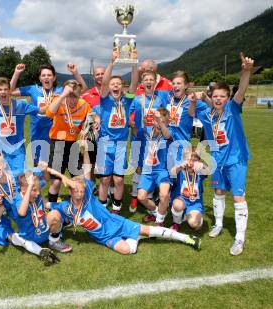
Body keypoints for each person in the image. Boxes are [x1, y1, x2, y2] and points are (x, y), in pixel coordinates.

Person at [46, 156, 201, 255]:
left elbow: (87, 169)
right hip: (105, 237)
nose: (79, 193)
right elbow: (47, 204)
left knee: (151, 230)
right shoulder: (66, 207)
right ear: (71, 192)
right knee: (127, 250)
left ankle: (187, 238)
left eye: (81, 190)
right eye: (76, 191)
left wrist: (85, 149)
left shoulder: (88, 198)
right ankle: (136, 238)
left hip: (118, 223)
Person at [192, 53, 253, 256]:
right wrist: (195, 99)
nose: (218, 99)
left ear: (227, 98)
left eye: (222, 96)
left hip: (236, 160)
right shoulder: (207, 115)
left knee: (237, 198)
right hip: (217, 161)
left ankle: (239, 238)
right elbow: (193, 112)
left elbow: (241, 89)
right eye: (215, 95)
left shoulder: (233, 109)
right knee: (218, 193)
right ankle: (218, 225)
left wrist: (246, 72)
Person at [10, 63, 88, 164]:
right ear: (40, 78)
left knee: (53, 167)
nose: (46, 77)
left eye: (49, 75)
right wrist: (16, 73)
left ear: (54, 77)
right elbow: (10, 91)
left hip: (54, 136)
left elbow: (83, 89)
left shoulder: (60, 90)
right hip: (37, 133)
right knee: (38, 167)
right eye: (43, 75)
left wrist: (75, 72)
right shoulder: (33, 89)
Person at [0, 77, 45, 176]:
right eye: (0, 90)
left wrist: (58, 102)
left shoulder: (20, 105)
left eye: (5, 89)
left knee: (20, 177)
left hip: (18, 152)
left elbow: (42, 110)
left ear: (10, 91)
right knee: (4, 180)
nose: (3, 92)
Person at [95, 49, 138, 214]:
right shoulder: (105, 99)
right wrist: (111, 63)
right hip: (105, 144)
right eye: (113, 84)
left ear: (122, 88)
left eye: (118, 84)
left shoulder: (126, 100)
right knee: (105, 179)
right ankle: (102, 208)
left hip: (120, 144)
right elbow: (104, 82)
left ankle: (116, 209)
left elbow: (134, 83)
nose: (115, 86)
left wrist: (134, 63)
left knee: (119, 179)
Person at [45, 79, 97, 203]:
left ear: (79, 95)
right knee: (56, 180)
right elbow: (48, 113)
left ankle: (81, 205)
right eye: (69, 96)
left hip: (73, 144)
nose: (72, 100)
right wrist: (63, 95)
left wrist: (95, 122)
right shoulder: (59, 100)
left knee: (79, 177)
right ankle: (51, 206)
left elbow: (93, 117)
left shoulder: (83, 104)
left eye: (75, 97)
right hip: (58, 143)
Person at [129, 70, 169, 218]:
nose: (149, 82)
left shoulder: (161, 99)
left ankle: (155, 198)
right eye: (146, 79)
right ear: (142, 82)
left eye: (151, 79)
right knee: (139, 167)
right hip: (140, 136)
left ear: (155, 82)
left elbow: (167, 115)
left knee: (157, 165)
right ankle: (135, 197)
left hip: (157, 137)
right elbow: (127, 112)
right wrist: (132, 123)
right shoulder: (137, 99)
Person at [131, 108, 173, 226]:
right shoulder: (146, 131)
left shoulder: (169, 132)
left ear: (167, 123)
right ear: (153, 120)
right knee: (141, 197)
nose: (159, 123)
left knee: (164, 195)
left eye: (163, 121)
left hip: (162, 170)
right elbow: (138, 142)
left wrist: (161, 123)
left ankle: (159, 221)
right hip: (147, 170)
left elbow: (167, 135)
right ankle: (157, 212)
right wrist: (132, 125)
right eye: (156, 120)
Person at [169, 149, 212, 231]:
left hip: (194, 203)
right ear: (184, 160)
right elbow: (172, 172)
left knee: (194, 225)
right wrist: (180, 166)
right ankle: (176, 223)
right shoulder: (180, 170)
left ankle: (189, 215)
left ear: (198, 161)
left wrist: (203, 165)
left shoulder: (199, 172)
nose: (191, 163)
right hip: (180, 199)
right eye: (189, 160)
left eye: (195, 161)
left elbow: (209, 171)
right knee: (178, 205)